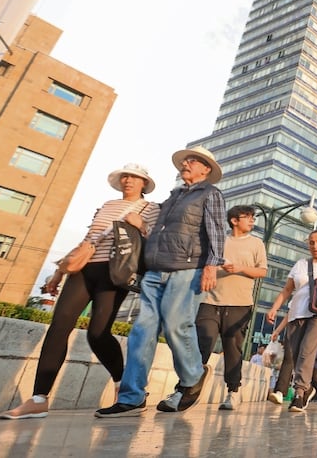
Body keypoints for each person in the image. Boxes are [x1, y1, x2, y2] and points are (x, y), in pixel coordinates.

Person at [0, 163, 160, 420]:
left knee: (97, 334)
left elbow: (154, 246)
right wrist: (60, 270)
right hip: (84, 270)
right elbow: (89, 240)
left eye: (135, 177)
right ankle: (39, 398)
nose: (128, 180)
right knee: (59, 326)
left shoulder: (151, 209)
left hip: (114, 272)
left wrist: (142, 225)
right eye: (125, 176)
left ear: (144, 184)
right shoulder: (107, 206)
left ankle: (124, 387)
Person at [95, 147, 227, 418]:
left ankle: (192, 376)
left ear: (206, 170)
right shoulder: (174, 196)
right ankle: (131, 397)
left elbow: (216, 230)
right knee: (141, 332)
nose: (186, 163)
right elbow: (157, 231)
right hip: (155, 270)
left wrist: (212, 265)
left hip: (187, 268)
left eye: (193, 161)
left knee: (177, 324)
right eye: (185, 161)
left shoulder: (210, 194)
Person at [266, 229, 317, 413]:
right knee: (295, 354)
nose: (315, 245)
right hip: (296, 313)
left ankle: (299, 393)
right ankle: (309, 387)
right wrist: (274, 308)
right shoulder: (301, 264)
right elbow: (287, 290)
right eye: (311, 242)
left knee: (307, 350)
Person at [196, 204, 267, 412]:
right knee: (203, 341)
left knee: (232, 349)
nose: (252, 221)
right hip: (210, 300)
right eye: (248, 217)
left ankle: (233, 391)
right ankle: (187, 387)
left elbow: (262, 271)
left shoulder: (256, 243)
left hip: (240, 304)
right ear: (234, 220)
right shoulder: (219, 241)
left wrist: (240, 268)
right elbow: (204, 264)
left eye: (253, 218)